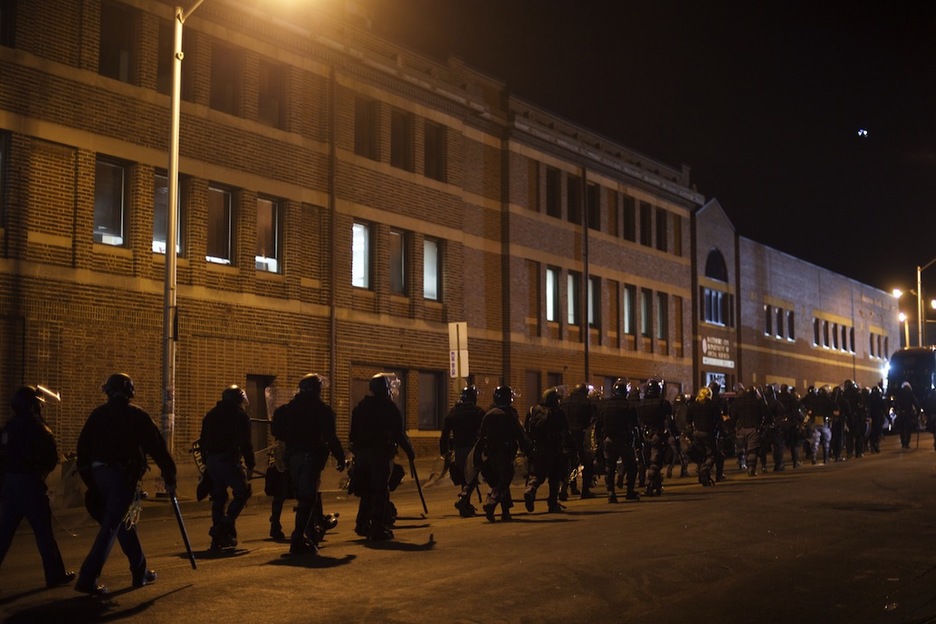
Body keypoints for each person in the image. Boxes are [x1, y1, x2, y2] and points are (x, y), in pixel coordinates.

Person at [74, 373, 177, 596]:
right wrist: (169, 473)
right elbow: (157, 447)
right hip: (121, 477)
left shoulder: (97, 415)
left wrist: (91, 481)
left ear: (108, 391)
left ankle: (140, 570)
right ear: (130, 392)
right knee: (112, 525)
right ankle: (88, 576)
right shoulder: (136, 416)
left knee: (123, 523)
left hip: (98, 475)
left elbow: (82, 451)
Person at [0, 386, 74, 588]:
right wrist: (38, 476)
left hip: (10, 484)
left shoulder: (8, 427)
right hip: (30, 485)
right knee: (43, 533)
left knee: (4, 533)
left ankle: (55, 574)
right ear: (33, 405)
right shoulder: (39, 428)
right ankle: (55, 574)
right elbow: (50, 458)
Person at [272, 373, 346, 554]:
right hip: (310, 458)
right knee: (307, 498)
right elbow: (330, 437)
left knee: (307, 496)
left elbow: (277, 430)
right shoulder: (322, 410)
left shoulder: (288, 409)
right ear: (317, 390)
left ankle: (311, 534)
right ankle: (297, 540)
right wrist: (340, 456)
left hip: (293, 458)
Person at [349, 373, 414, 541]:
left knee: (366, 490)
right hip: (379, 454)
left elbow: (352, 434)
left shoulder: (361, 407)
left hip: (362, 454)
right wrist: (409, 451)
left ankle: (362, 523)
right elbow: (398, 433)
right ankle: (377, 527)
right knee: (379, 490)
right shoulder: (389, 407)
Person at [199, 385, 254, 550]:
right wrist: (250, 464)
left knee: (219, 497)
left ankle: (220, 539)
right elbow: (245, 443)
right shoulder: (239, 416)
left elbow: (203, 440)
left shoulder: (211, 414)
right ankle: (222, 527)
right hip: (228, 460)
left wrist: (206, 461)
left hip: (212, 461)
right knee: (243, 492)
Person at [476, 385, 529, 522]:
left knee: (500, 480)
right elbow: (519, 432)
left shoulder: (489, 413)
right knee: (504, 480)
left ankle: (505, 512)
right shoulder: (510, 413)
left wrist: (480, 455)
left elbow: (481, 435)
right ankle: (491, 502)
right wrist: (526, 448)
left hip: (490, 453)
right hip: (505, 452)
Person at [439, 384, 485, 517]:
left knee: (465, 475)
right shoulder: (478, 412)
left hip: (458, 448)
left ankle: (465, 504)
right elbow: (484, 431)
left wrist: (444, 451)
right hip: (472, 447)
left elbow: (445, 434)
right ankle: (464, 499)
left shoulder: (453, 412)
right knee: (473, 474)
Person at [524, 387, 572, 513]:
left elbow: (526, 429)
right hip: (553, 448)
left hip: (537, 448)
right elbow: (566, 432)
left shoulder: (533, 410)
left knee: (538, 474)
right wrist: (571, 448)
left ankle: (531, 489)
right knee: (554, 477)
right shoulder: (557, 412)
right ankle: (552, 503)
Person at [595, 378, 640, 502]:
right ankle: (629, 491)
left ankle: (611, 493)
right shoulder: (628, 406)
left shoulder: (604, 406)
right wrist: (637, 441)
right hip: (624, 441)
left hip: (608, 441)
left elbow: (598, 425)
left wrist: (599, 441)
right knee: (631, 467)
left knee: (610, 467)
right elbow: (635, 425)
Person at [636, 378, 672, 496]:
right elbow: (669, 420)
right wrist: (673, 433)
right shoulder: (663, 403)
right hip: (657, 434)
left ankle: (656, 484)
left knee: (649, 461)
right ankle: (649, 482)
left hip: (644, 435)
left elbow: (638, 421)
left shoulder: (641, 404)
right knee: (656, 461)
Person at [561, 383, 598, 499]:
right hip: (581, 436)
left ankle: (566, 488)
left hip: (566, 437)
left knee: (570, 464)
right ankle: (585, 491)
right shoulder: (587, 403)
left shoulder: (564, 402)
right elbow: (593, 420)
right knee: (587, 463)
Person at [685, 385, 722, 486]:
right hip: (708, 432)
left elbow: (688, 420)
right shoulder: (713, 405)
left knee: (701, 455)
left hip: (696, 433)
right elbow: (718, 420)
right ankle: (704, 471)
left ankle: (703, 477)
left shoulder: (692, 405)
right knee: (712, 455)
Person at [729, 385, 769, 476]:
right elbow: (766, 414)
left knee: (745, 449)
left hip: (742, 429)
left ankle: (745, 464)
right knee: (752, 450)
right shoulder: (758, 402)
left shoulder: (739, 402)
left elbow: (733, 417)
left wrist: (733, 429)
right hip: (754, 428)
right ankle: (751, 468)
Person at [891, 381, 921, 450]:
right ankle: (906, 444)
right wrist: (918, 412)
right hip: (908, 413)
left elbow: (895, 403)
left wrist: (896, 411)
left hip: (901, 413)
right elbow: (915, 403)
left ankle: (903, 443)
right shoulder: (910, 393)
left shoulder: (899, 393)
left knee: (901, 429)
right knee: (908, 429)